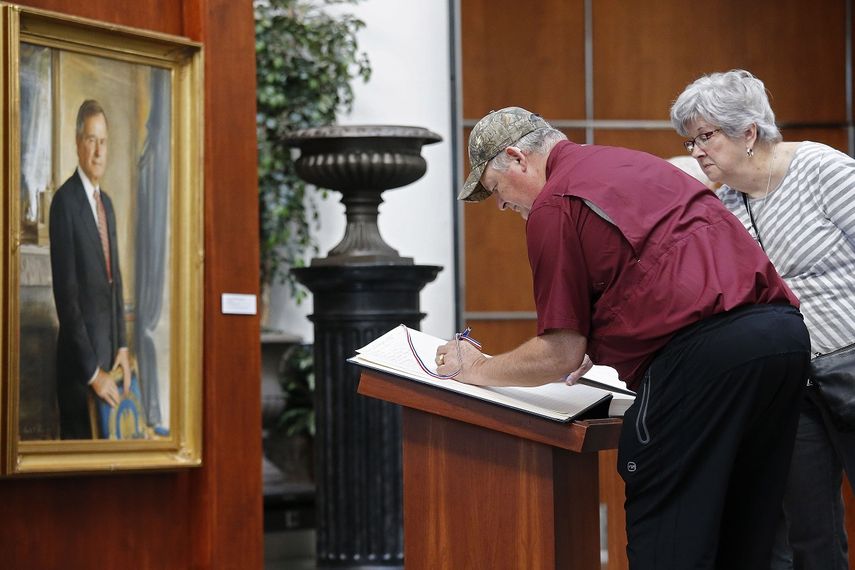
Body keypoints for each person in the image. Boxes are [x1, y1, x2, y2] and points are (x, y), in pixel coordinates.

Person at [436, 106, 811, 569]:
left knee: (668, 541)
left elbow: (559, 353)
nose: (501, 205)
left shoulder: (554, 201)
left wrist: (476, 368)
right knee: (748, 536)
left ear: (517, 158)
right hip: (782, 339)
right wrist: (603, 337)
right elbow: (662, 263)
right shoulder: (631, 162)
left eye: (496, 189)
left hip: (706, 357)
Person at [671, 69, 855, 570]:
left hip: (850, 363)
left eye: (705, 136)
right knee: (809, 534)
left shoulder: (819, 168)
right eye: (690, 141)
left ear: (748, 131)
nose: (696, 151)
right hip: (790, 385)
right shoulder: (724, 205)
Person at [50, 99, 131, 439]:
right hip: (80, 373)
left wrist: (122, 346)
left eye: (103, 142)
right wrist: (93, 375)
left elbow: (115, 282)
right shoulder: (64, 203)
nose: (98, 152)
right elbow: (67, 302)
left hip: (110, 362)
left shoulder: (106, 204)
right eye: (91, 140)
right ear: (77, 142)